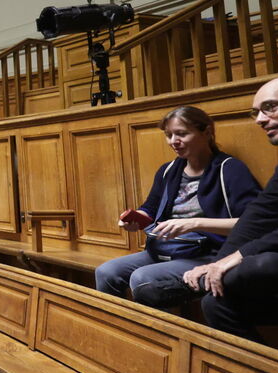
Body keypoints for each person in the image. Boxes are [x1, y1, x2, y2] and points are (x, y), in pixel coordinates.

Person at [183, 75, 278, 342]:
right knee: (216, 302)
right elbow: (264, 211)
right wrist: (219, 263)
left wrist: (241, 256)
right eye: (256, 112)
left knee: (264, 264)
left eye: (271, 107)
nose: (260, 120)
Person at [94, 106, 260, 308]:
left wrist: (194, 223)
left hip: (208, 253)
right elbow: (151, 208)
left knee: (143, 277)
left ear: (206, 132)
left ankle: (158, 337)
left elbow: (252, 222)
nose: (174, 141)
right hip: (164, 249)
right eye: (169, 135)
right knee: (105, 272)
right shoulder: (169, 170)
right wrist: (136, 218)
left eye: (182, 133)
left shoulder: (230, 169)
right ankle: (118, 329)